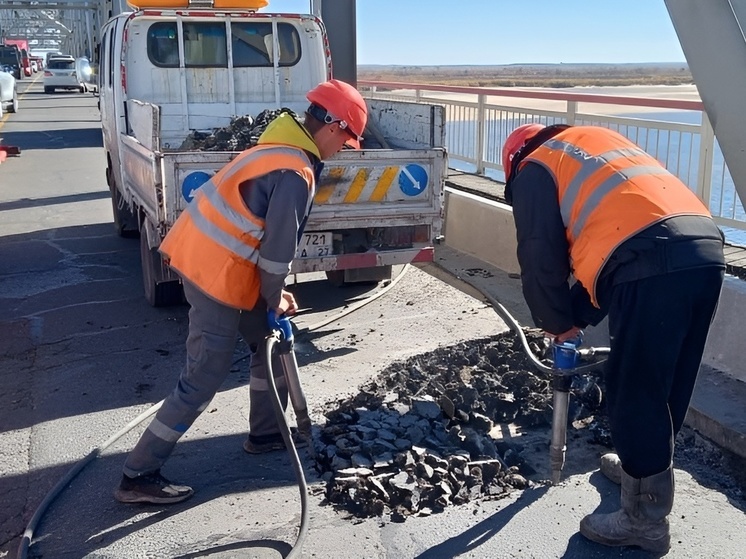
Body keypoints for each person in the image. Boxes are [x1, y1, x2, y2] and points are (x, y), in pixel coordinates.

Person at [114, 79, 368, 505]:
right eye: (347, 140)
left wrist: (272, 302)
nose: (345, 148)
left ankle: (266, 433)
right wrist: (275, 294)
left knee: (271, 341)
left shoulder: (277, 149)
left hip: (218, 263)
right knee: (202, 377)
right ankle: (138, 474)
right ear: (334, 126)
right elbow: (275, 254)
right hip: (213, 274)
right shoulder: (295, 170)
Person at [502, 123, 725, 553]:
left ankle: (644, 522)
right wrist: (575, 321)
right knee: (666, 383)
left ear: (514, 163)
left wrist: (554, 322)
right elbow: (610, 250)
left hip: (652, 259)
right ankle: (643, 470)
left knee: (634, 388)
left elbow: (539, 254)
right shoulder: (590, 146)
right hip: (703, 250)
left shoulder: (534, 167)